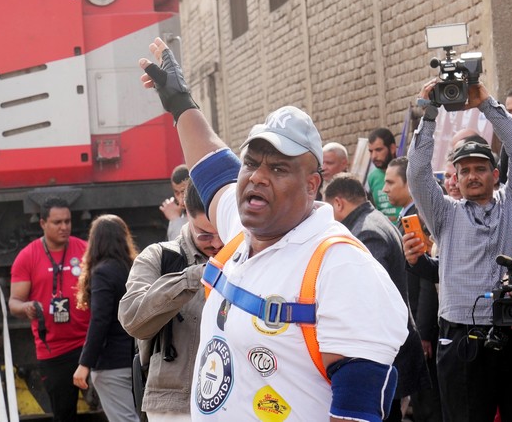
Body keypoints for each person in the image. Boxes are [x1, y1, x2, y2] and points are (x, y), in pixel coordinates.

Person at [139, 38, 408, 421]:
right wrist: (179, 102)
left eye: (279, 169)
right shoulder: (242, 232)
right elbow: (211, 163)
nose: (258, 178)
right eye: (252, 164)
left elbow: (357, 410)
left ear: (312, 185)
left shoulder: (340, 265)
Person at [408, 78, 512, 422]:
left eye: (481, 169)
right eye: (464, 171)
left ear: (496, 174)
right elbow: (418, 172)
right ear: (455, 177)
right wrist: (428, 114)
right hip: (460, 335)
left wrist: (485, 103)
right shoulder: (444, 213)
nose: (473, 176)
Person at [325, 173, 431, 422]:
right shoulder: (372, 221)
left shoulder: (365, 233)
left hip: (384, 356)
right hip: (391, 351)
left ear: (339, 203)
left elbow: (364, 301)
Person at [119, 183, 224, 422]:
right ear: (186, 212)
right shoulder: (158, 256)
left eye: (223, 232)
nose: (217, 244)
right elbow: (132, 319)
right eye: (205, 234)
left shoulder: (249, 257)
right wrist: (194, 277)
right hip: (175, 405)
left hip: (238, 400)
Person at [10, 198, 91, 422]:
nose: (64, 227)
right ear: (43, 224)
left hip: (90, 346)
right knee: (64, 414)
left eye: (67, 221)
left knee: (115, 408)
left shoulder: (85, 251)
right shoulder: (28, 257)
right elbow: (14, 302)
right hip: (54, 351)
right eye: (57, 222)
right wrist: (25, 307)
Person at [384, 157, 443, 422]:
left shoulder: (416, 220)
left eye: (390, 182)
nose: (384, 189)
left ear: (409, 185)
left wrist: (424, 331)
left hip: (422, 328)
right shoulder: (404, 219)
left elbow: (427, 281)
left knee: (429, 405)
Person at [71, 215, 140, 422]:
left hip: (111, 364)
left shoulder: (102, 273)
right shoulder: (134, 268)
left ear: (96, 242)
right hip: (136, 359)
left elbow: (100, 320)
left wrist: (85, 363)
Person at [367, 128, 403, 221]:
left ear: (392, 148)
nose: (374, 156)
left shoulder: (407, 172)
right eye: (371, 151)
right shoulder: (372, 177)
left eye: (378, 150)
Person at [161, 165, 190, 241]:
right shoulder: (181, 214)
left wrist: (175, 219)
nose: (181, 200)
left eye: (184, 192)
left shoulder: (203, 211)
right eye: (177, 193)